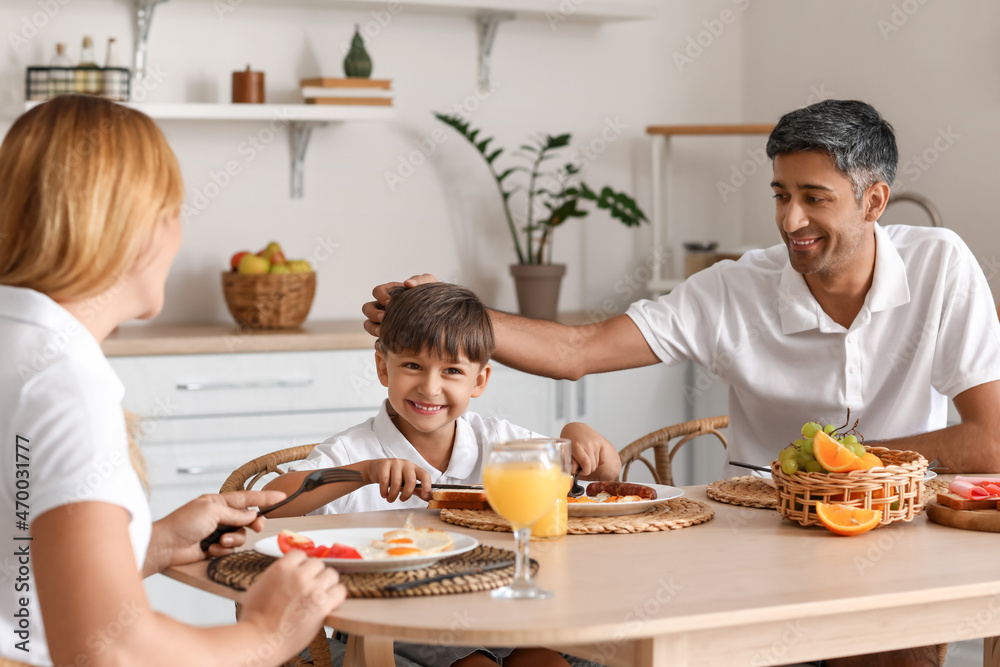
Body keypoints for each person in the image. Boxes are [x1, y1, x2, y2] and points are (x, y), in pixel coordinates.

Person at [363, 99, 1000, 667]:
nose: (791, 220)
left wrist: (859, 467)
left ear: (875, 201)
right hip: (760, 536)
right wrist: (448, 312)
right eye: (780, 195)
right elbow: (581, 350)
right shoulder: (735, 289)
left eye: (815, 197)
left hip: (892, 532)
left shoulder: (941, 266)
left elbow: (990, 440)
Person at [0, 95, 346, 667]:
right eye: (172, 211)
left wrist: (153, 542)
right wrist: (267, 631)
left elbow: (19, 570)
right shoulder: (67, 383)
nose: (177, 233)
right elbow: (110, 651)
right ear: (128, 228)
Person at [266, 282, 619, 667]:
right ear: (384, 367)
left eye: (452, 371)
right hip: (387, 620)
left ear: (479, 380)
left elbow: (602, 478)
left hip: (496, 614)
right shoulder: (356, 451)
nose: (430, 387)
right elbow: (272, 503)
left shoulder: (499, 442)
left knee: (546, 661)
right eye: (413, 366)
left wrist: (582, 442)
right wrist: (363, 473)